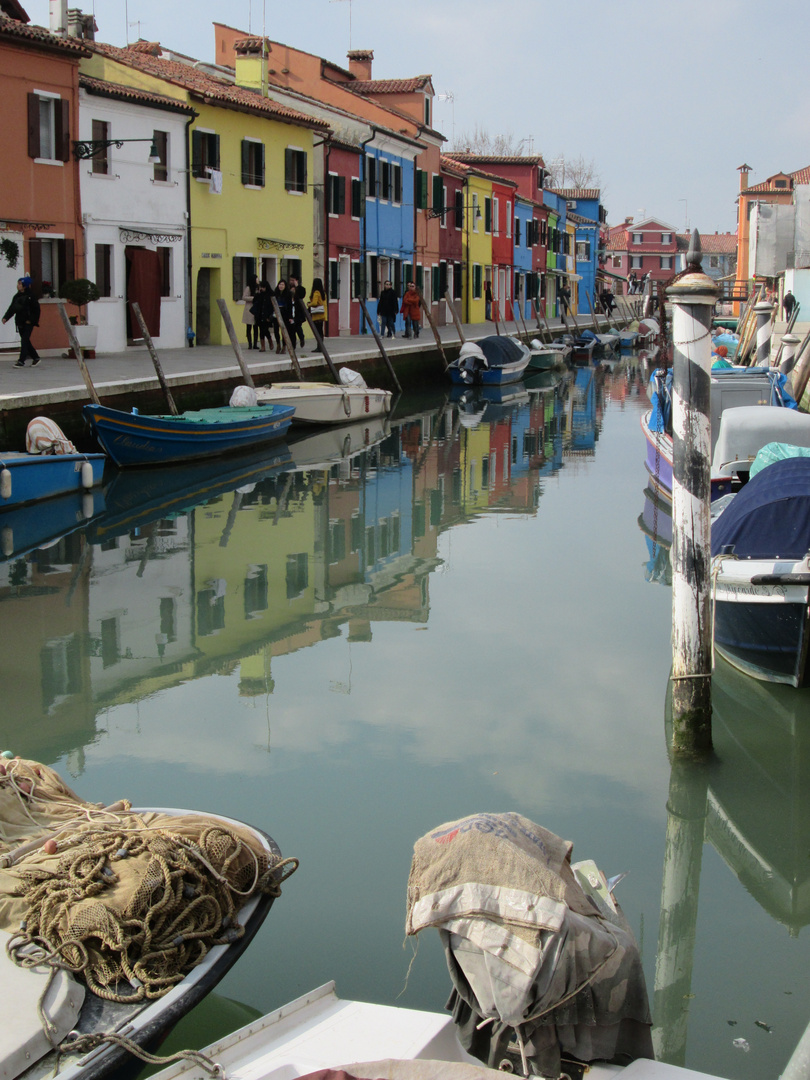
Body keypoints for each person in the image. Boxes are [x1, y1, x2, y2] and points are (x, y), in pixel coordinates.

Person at [2, 275, 41, 368]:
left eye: (20, 284)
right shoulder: (17, 296)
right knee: (26, 341)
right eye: (18, 283)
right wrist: (6, 318)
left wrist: (31, 320)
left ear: (25, 285)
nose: (18, 285)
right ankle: (36, 358)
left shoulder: (31, 296)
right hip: (20, 322)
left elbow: (36, 310)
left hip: (28, 322)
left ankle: (21, 361)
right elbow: (12, 309)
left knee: (24, 341)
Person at [250, 280, 272, 352]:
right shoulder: (259, 294)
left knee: (265, 330)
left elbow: (271, 306)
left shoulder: (270, 294)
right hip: (259, 315)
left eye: (263, 287)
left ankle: (269, 340)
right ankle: (263, 346)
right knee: (261, 330)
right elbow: (254, 301)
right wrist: (257, 293)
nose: (262, 289)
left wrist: (269, 316)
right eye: (261, 287)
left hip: (266, 315)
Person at [308, 277, 327, 352]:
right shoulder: (323, 293)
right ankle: (321, 346)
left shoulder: (316, 293)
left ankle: (319, 347)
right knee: (320, 331)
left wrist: (309, 304)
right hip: (322, 314)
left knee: (317, 331)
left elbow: (315, 303)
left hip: (316, 315)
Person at [287, 275, 306, 348]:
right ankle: (293, 344)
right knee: (292, 329)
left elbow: (302, 295)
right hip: (290, 311)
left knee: (298, 327)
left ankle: (301, 338)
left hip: (298, 312)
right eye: (290, 280)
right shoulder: (288, 289)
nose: (291, 282)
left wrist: (297, 287)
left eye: (293, 280)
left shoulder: (301, 289)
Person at [274, 279, 292, 353]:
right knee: (276, 330)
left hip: (285, 314)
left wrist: (290, 317)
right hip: (276, 313)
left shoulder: (288, 294)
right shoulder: (275, 293)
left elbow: (290, 306)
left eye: (282, 285)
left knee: (283, 330)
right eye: (280, 284)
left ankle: (284, 345)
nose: (281, 286)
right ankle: (278, 344)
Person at [241, 274, 258, 349]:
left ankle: (255, 344)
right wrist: (253, 298)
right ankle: (250, 344)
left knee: (256, 327)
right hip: (249, 309)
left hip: (256, 309)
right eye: (257, 279)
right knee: (249, 327)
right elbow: (244, 297)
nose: (258, 280)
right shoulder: (248, 288)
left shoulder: (258, 288)